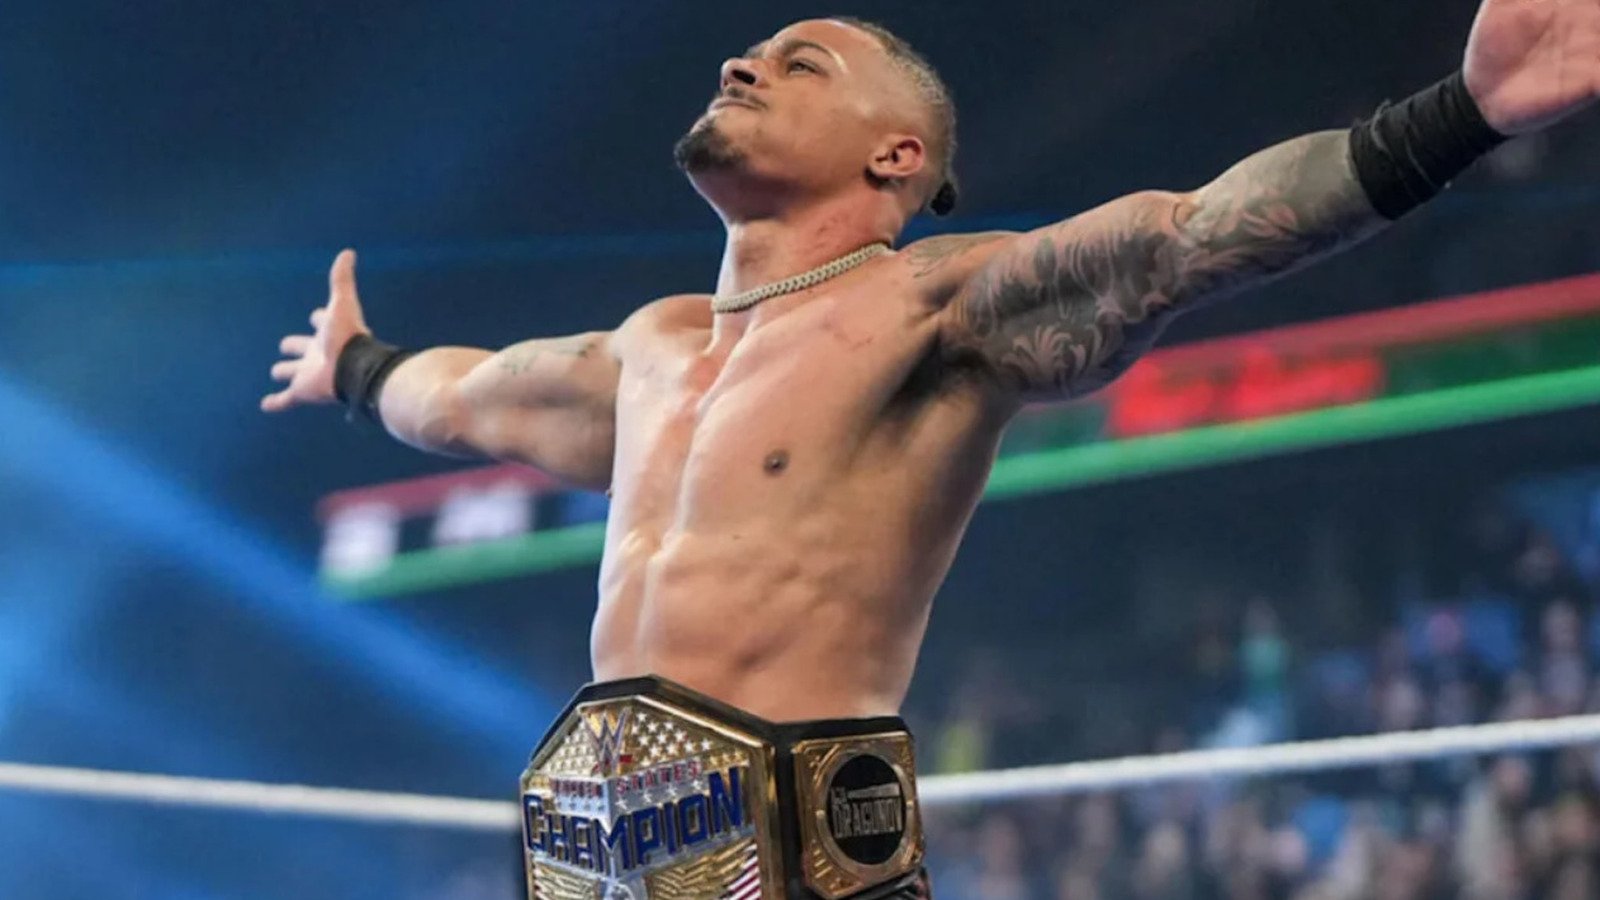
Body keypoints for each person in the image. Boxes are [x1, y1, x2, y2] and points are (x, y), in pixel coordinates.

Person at [263, 9, 1596, 898]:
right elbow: (465, 398)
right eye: (751, 52)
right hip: (603, 850)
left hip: (793, 839)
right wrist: (358, 367)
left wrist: (1461, 115)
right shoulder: (647, 353)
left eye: (799, 65)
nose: (742, 64)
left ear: (894, 155)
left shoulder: (931, 310)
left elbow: (1187, 239)